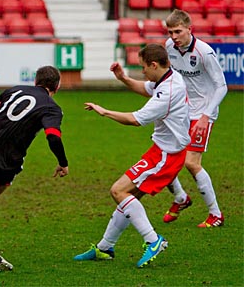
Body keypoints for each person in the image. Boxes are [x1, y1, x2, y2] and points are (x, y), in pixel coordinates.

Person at [74, 44, 190, 268]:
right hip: (163, 150)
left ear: (154, 65)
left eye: (143, 67)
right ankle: (105, 247)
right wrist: (123, 78)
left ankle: (153, 240)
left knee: (118, 190)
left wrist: (105, 111)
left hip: (167, 155)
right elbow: (146, 88)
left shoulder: (169, 91)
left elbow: (135, 119)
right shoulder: (168, 76)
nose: (143, 72)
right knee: (129, 197)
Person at [0, 65, 69, 271]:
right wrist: (63, 162)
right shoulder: (52, 108)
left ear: (36, 81)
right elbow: (53, 136)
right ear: (57, 87)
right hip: (8, 156)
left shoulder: (14, 90)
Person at [163, 9, 227, 227]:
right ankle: (181, 198)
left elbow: (222, 87)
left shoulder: (204, 53)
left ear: (190, 29)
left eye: (178, 31)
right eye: (170, 32)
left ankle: (215, 214)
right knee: (164, 156)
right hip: (181, 109)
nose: (174, 37)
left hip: (202, 112)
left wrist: (205, 117)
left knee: (191, 163)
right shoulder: (169, 47)